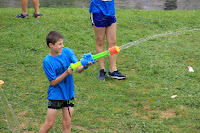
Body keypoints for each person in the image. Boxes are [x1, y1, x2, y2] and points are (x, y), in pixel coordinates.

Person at [39, 31, 95, 133]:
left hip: (68, 93)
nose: (62, 46)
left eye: (62, 43)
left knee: (67, 123)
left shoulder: (68, 52)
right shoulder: (47, 61)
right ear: (51, 45)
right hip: (55, 95)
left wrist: (85, 65)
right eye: (59, 44)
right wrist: (66, 73)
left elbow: (78, 69)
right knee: (49, 124)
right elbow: (53, 82)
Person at [89, 0, 126, 81]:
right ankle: (102, 70)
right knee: (100, 41)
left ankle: (113, 70)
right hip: (97, 8)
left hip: (110, 8)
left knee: (112, 41)